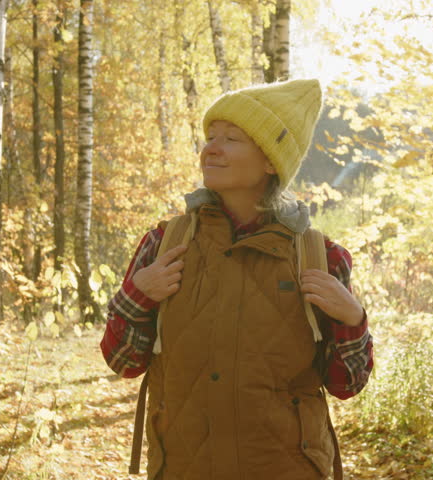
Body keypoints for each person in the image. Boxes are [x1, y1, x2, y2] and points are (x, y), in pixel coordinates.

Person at [100, 78, 373, 480]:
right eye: (210, 136)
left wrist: (353, 320)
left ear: (270, 161)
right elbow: (122, 361)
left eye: (231, 138)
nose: (211, 147)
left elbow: (346, 385)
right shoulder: (165, 243)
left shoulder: (318, 256)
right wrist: (137, 296)